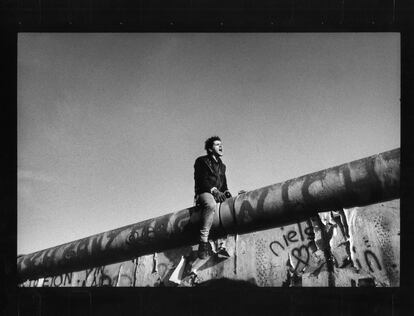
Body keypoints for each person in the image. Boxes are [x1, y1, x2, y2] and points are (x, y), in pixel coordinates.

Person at [194, 136, 232, 259]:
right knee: (210, 205)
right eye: (217, 144)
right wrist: (214, 191)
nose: (220, 146)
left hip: (218, 195)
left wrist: (226, 193)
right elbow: (202, 181)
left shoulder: (222, 166)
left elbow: (224, 184)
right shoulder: (201, 161)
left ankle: (221, 245)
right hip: (204, 193)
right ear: (210, 149)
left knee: (228, 208)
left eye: (221, 144)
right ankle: (203, 243)